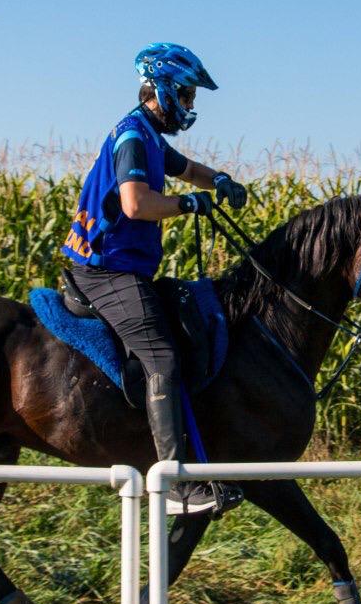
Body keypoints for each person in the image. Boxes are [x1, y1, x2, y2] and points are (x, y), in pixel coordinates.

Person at [60, 43, 246, 516]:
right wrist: (186, 204)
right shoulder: (132, 138)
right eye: (186, 95)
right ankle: (174, 487)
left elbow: (188, 169)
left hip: (122, 266)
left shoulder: (149, 136)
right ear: (162, 90)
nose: (189, 105)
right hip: (106, 269)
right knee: (162, 357)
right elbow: (135, 204)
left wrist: (219, 180)